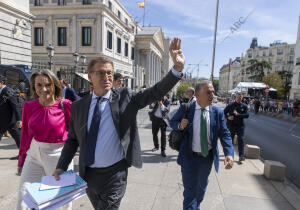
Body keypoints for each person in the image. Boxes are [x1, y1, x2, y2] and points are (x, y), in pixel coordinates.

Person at [52, 37, 185, 209]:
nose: (107, 77)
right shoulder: (78, 106)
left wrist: (177, 69)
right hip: (88, 174)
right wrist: (61, 166)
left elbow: (155, 91)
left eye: (109, 73)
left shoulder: (126, 98)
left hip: (115, 174)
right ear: (90, 76)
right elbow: (72, 140)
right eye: (101, 72)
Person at [170, 80, 234, 210]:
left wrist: (229, 153)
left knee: (201, 190)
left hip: (207, 158)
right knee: (189, 193)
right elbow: (173, 121)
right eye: (208, 92)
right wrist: (179, 125)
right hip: (189, 158)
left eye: (213, 92)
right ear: (198, 95)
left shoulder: (217, 112)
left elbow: (225, 134)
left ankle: (196, 206)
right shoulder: (186, 108)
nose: (212, 95)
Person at [17, 69, 73, 210]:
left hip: (59, 155)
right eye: (39, 85)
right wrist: (21, 160)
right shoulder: (28, 106)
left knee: (62, 202)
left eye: (48, 85)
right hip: (34, 155)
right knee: (24, 200)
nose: (43, 89)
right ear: (34, 87)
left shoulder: (65, 105)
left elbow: (75, 135)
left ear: (54, 85)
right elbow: (25, 135)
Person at [224, 92, 249, 164]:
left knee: (241, 139)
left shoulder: (244, 106)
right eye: (238, 97)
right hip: (231, 125)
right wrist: (228, 117)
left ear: (242, 98)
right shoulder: (231, 105)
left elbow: (247, 115)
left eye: (240, 97)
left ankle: (241, 155)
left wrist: (238, 114)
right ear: (236, 97)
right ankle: (229, 154)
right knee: (230, 140)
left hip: (240, 126)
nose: (239, 98)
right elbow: (223, 113)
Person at [0, 75, 22, 155]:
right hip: (1, 121)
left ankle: (23, 155)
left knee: (18, 139)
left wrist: (19, 119)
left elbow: (16, 106)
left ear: (1, 82)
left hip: (11, 122)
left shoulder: (9, 91)